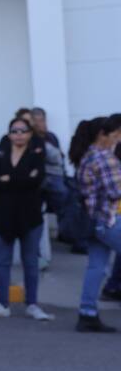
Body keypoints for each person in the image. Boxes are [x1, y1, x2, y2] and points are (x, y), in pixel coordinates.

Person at [0, 117, 54, 321]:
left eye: (23, 131)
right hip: (3, 217)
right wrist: (20, 179)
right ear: (9, 134)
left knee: (30, 262)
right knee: (2, 262)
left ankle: (32, 304)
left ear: (30, 134)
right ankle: (2, 304)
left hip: (30, 217)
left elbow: (34, 181)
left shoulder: (36, 157)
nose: (19, 135)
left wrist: (10, 179)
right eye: (14, 131)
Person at [70, 115, 121, 332]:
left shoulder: (88, 156)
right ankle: (87, 313)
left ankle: (87, 313)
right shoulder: (104, 158)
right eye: (116, 135)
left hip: (94, 221)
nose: (118, 140)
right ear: (103, 135)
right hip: (109, 220)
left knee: (97, 267)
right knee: (96, 267)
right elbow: (116, 191)